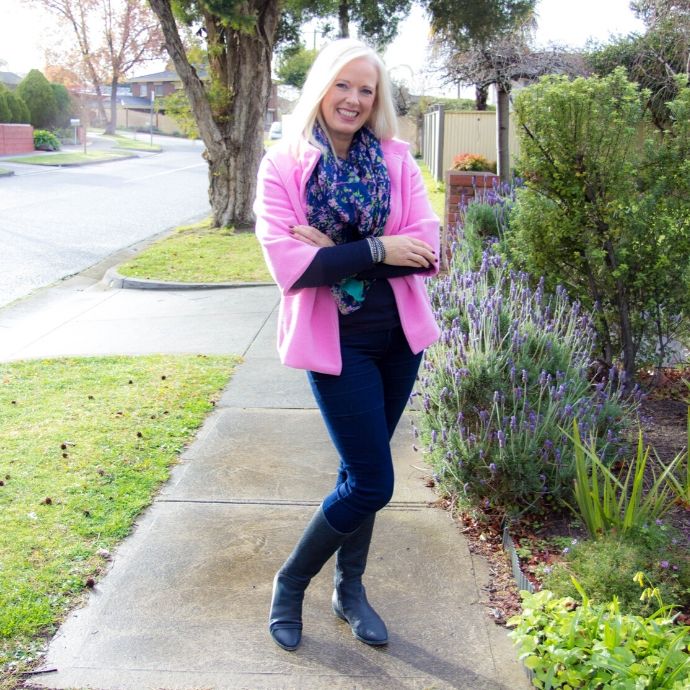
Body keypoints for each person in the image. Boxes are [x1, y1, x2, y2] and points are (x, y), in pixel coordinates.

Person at [253, 38, 440, 652]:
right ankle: (291, 582)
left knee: (360, 467)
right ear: (321, 88)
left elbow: (428, 250)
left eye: (367, 89)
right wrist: (382, 248)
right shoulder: (281, 166)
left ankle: (350, 590)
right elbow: (291, 268)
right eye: (344, 85)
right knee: (372, 481)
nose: (355, 99)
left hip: (397, 338)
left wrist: (335, 256)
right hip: (339, 343)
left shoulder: (396, 160)